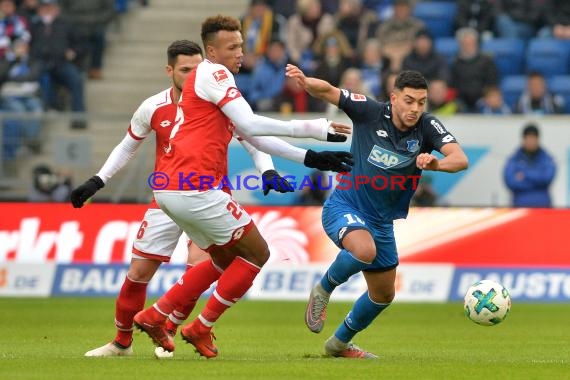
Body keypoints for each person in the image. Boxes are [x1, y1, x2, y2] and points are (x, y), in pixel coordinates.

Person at [131, 14, 354, 358]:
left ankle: (156, 315)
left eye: (241, 46)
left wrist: (311, 158)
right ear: (211, 51)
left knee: (223, 260)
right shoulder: (214, 73)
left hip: (172, 189)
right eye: (232, 46)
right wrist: (315, 127)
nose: (240, 53)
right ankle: (199, 326)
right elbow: (251, 122)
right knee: (257, 253)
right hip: (196, 187)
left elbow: (250, 135)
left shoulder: (208, 84)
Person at [72, 40, 294, 358]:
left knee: (201, 266)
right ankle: (122, 343)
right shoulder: (153, 107)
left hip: (209, 195)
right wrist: (98, 180)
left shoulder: (217, 100)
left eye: (197, 69)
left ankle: (170, 329)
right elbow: (127, 146)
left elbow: (252, 139)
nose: (192, 76)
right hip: (167, 196)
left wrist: (267, 169)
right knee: (138, 273)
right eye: (185, 70)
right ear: (169, 71)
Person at [285, 64, 468, 358]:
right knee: (364, 250)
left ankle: (339, 344)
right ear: (393, 98)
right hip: (345, 206)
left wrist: (436, 164)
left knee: (384, 294)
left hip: (382, 221)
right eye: (409, 100)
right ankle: (323, 290)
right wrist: (306, 82)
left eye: (421, 102)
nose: (415, 109)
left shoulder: (427, 127)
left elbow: (459, 159)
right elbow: (330, 91)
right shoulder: (369, 111)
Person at [503, 123, 556, 207]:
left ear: (538, 139)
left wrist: (524, 174)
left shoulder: (547, 158)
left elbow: (546, 178)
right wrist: (538, 178)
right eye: (528, 138)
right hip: (519, 210)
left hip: (543, 209)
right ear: (523, 139)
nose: (531, 141)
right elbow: (510, 182)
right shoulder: (514, 159)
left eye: (533, 138)